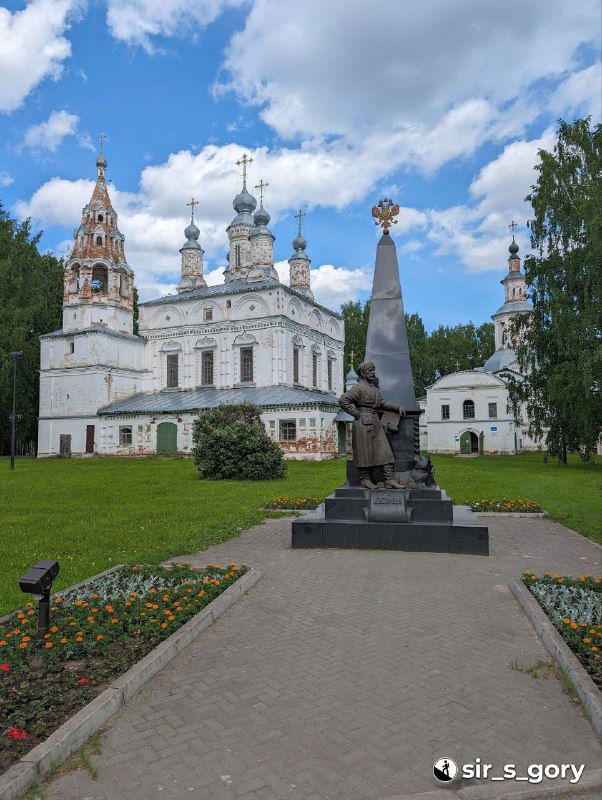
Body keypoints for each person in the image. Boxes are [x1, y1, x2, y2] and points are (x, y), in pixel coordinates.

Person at [338, 361, 404, 489]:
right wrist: (356, 414)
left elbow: (382, 403)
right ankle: (365, 479)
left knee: (385, 451)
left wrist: (397, 406)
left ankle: (389, 479)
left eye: (374, 370)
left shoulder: (374, 389)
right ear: (363, 373)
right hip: (363, 423)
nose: (373, 373)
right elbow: (343, 400)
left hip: (375, 422)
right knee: (364, 453)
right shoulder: (358, 388)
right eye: (370, 371)